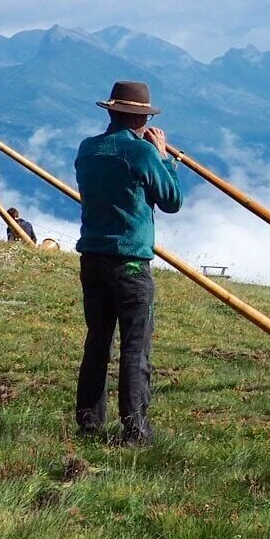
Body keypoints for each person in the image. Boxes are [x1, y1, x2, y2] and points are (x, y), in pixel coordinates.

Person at [74, 81, 183, 445]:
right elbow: (171, 200)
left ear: (110, 111)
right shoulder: (141, 152)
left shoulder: (87, 149)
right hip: (130, 261)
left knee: (98, 341)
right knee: (135, 346)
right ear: (142, 118)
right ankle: (135, 428)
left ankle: (89, 420)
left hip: (92, 256)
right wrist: (164, 157)